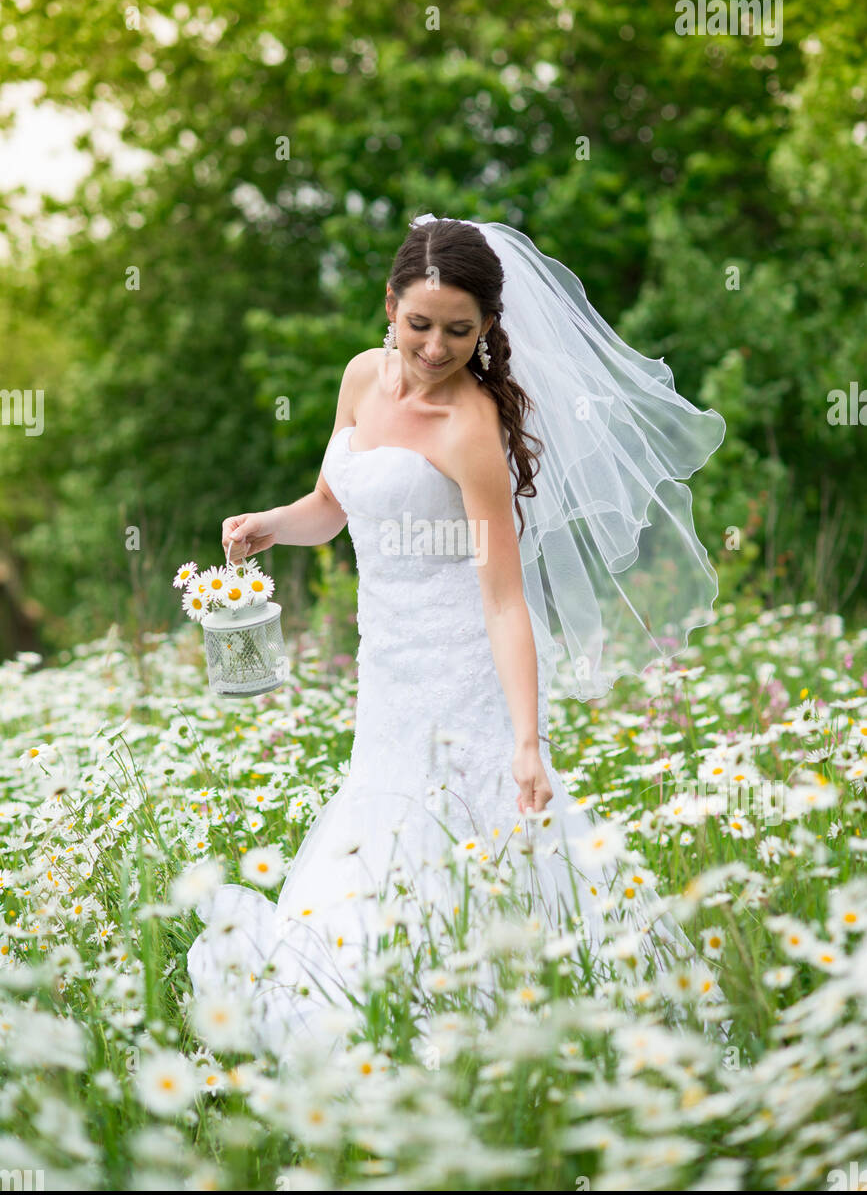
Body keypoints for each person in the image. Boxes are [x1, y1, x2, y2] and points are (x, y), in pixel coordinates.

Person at [186, 214, 728, 1061]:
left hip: (461, 665)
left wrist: (525, 740)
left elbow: (507, 602)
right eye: (419, 324)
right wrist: (270, 524)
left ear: (486, 330)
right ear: (390, 306)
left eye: (459, 331)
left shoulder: (471, 427)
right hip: (387, 666)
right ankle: (376, 1019)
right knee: (378, 827)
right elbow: (332, 508)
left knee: (477, 838)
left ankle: (506, 1031)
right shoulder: (362, 379)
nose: (435, 347)